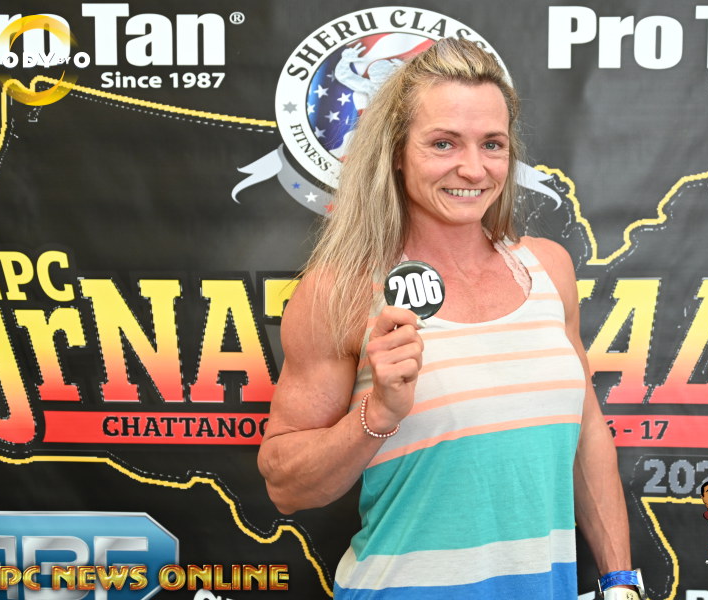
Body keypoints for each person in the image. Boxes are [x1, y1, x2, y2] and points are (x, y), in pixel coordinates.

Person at [258, 37, 638, 599]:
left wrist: (620, 580)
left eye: (493, 144)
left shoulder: (548, 269)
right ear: (396, 152)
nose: (473, 168)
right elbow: (286, 485)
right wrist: (377, 413)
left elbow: (585, 432)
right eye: (443, 143)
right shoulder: (342, 290)